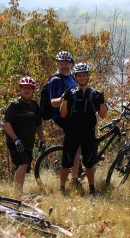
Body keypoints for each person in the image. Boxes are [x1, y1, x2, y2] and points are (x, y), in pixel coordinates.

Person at [59, 62, 107, 195]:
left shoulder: (95, 94)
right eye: (79, 76)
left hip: (88, 134)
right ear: (75, 77)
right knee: (66, 162)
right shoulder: (70, 93)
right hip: (72, 133)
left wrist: (102, 102)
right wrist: (64, 101)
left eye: (84, 75)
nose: (81, 78)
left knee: (89, 163)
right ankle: (62, 188)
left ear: (88, 76)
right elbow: (63, 114)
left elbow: (103, 115)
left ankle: (92, 189)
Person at [4, 76, 46, 192]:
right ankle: (18, 194)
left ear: (33, 91)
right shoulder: (14, 105)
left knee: (24, 166)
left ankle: (18, 191)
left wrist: (42, 140)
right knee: (23, 163)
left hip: (28, 141)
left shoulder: (34, 106)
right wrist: (15, 139)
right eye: (24, 88)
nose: (27, 90)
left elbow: (38, 125)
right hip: (15, 141)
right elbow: (6, 124)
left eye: (29, 88)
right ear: (20, 89)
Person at [49, 51, 82, 183]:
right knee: (73, 149)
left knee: (78, 147)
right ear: (57, 64)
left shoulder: (73, 78)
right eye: (61, 63)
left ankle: (75, 177)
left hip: (74, 115)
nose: (63, 66)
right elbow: (53, 102)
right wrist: (65, 98)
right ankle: (71, 180)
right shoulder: (56, 80)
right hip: (63, 118)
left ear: (71, 64)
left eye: (66, 63)